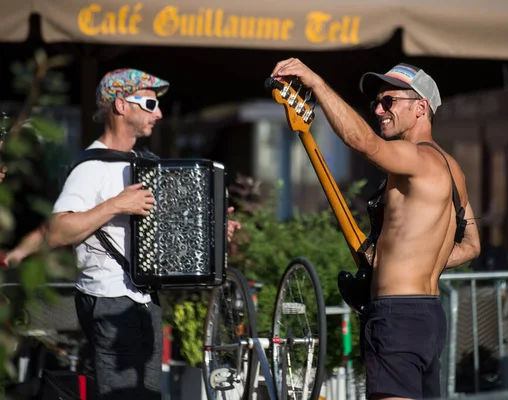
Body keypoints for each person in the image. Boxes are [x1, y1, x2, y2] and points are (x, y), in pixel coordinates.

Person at [270, 59, 480, 400]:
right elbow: (471, 245)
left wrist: (318, 84)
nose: (379, 110)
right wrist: (413, 258)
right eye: (376, 103)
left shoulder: (415, 158)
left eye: (389, 101)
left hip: (397, 317)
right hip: (427, 315)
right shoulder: (454, 171)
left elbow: (364, 143)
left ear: (420, 108)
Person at [45, 68, 241, 399]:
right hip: (108, 299)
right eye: (150, 104)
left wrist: (214, 231)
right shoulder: (91, 168)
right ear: (121, 106)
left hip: (142, 299)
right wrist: (115, 205)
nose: (159, 113)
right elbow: (57, 232)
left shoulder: (144, 163)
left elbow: (163, 230)